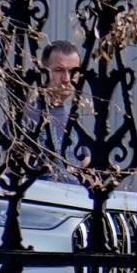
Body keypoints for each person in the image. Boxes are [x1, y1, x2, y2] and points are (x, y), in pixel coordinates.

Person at [30, 40, 84, 177]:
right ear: (43, 72)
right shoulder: (26, 115)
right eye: (58, 70)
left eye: (73, 71)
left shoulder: (74, 118)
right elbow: (11, 172)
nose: (66, 79)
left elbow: (87, 167)